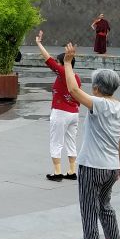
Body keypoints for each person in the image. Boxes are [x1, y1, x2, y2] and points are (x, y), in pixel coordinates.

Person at [62, 43, 120, 239]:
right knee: (105, 205)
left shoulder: (99, 104)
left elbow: (73, 91)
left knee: (89, 208)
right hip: (111, 166)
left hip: (92, 165)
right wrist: (119, 164)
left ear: (97, 88)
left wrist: (67, 63)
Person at [35, 30, 81, 181]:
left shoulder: (63, 72)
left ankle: (57, 172)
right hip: (74, 113)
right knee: (71, 141)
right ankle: (72, 171)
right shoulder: (76, 77)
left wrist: (39, 43)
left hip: (61, 112)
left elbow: (48, 58)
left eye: (58, 61)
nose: (57, 63)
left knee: (56, 141)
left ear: (63, 63)